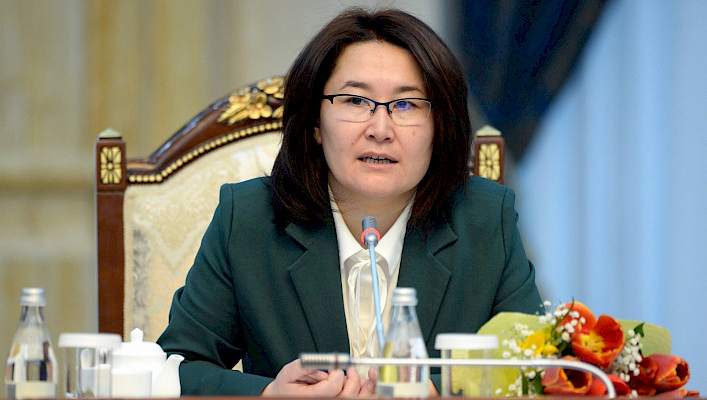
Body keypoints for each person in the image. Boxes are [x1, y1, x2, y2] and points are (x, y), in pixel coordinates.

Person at [157, 7, 542, 397]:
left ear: (439, 127)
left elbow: (534, 367)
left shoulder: (486, 219)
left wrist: (436, 391)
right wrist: (268, 394)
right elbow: (176, 367)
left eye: (406, 104)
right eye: (355, 101)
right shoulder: (248, 218)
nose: (380, 129)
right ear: (315, 123)